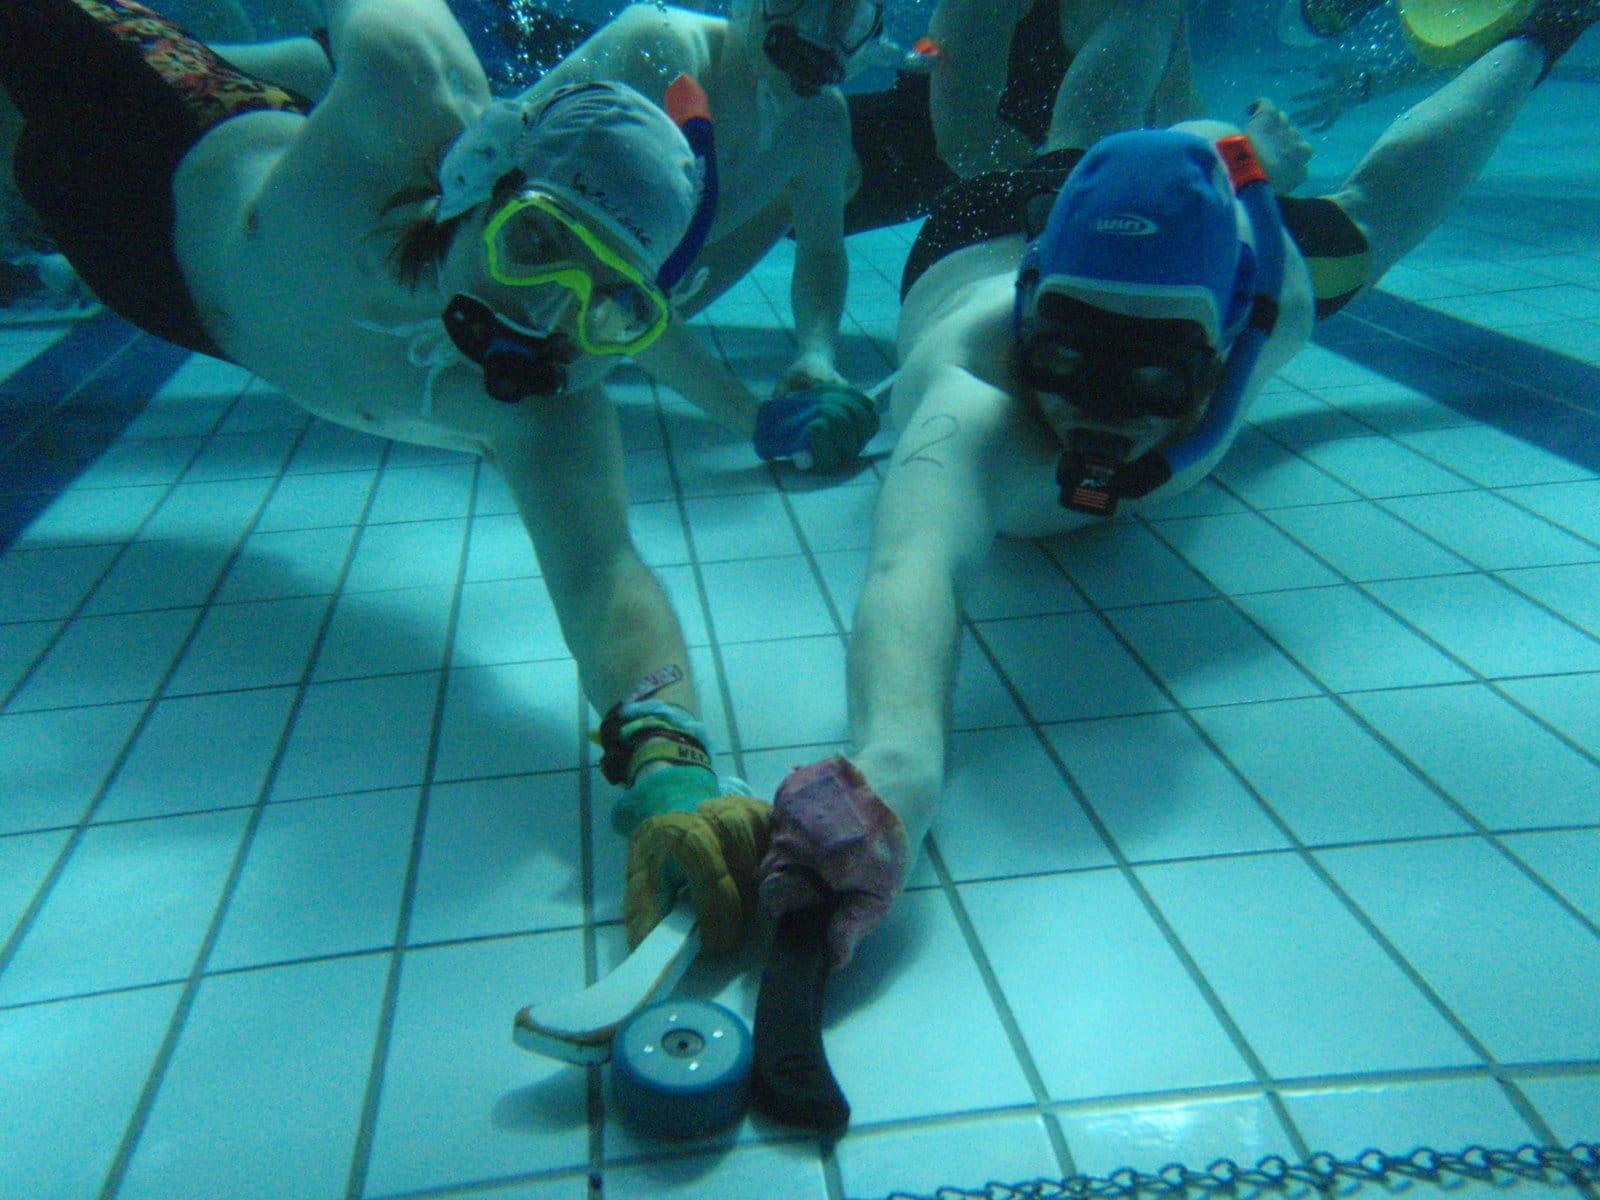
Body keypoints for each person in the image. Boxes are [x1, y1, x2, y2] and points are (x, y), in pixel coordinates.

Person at [754, 1, 1599, 969]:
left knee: (1353, 231)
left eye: (1153, 379)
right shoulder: (974, 389)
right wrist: (893, 772)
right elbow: (912, 571)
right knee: (1078, 140)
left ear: (1219, 350)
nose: (1100, 414)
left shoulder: (1268, 305)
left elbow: (1387, 198)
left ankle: (1548, 24)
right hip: (987, 235)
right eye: (1066, 361)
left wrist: (1245, 158)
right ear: (1033, 326)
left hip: (1145, 237)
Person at [0, 0, 780, 958]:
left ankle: (300, 75)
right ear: (477, 174)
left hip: (181, 303)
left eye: (602, 296)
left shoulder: (548, 406)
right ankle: (293, 66)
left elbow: (604, 578)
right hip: (160, 134)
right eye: (536, 244)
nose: (539, 313)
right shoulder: (409, 91)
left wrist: (670, 754)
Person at [511, 0, 884, 468]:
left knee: (838, 178)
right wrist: (754, 419)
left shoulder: (821, 120)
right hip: (496, 271)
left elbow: (822, 253)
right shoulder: (660, 48)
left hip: (617, 291)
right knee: (543, 386)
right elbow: (608, 276)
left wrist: (816, 355)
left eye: (845, 16)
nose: (816, 32)